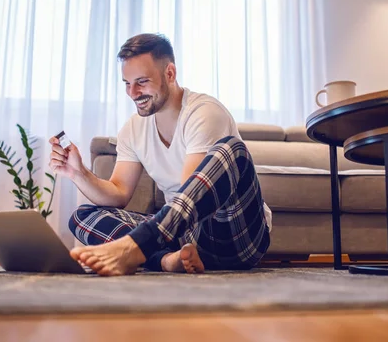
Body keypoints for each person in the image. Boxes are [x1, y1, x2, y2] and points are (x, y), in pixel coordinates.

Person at [48, 33, 272, 276]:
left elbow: (191, 192)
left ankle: (136, 249)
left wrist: (140, 237)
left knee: (233, 150)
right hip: (179, 237)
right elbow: (118, 193)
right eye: (127, 83)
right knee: (83, 216)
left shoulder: (204, 112)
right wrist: (78, 173)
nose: (133, 93)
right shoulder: (133, 128)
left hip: (232, 234)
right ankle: (165, 261)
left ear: (170, 74)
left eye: (142, 82)